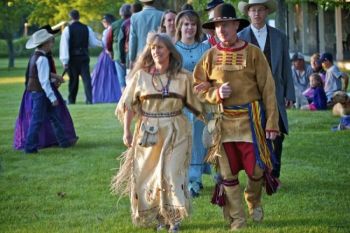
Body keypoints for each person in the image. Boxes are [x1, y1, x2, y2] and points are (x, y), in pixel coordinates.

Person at [193, 3, 279, 231]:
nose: (222, 30)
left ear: (235, 25)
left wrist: (271, 122)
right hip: (223, 124)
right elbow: (198, 88)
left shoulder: (253, 53)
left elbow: (269, 89)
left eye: (226, 25)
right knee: (227, 175)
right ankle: (238, 220)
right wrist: (215, 93)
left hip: (251, 122)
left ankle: (253, 198)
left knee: (257, 170)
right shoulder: (209, 56)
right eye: (218, 26)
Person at [111, 32, 203, 233]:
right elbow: (129, 105)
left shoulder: (183, 77)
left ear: (169, 50)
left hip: (176, 130)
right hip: (148, 131)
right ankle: (159, 217)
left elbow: (200, 104)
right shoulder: (141, 77)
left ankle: (175, 219)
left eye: (160, 47)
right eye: (153, 48)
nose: (156, 51)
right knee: (151, 175)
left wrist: (214, 122)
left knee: (172, 173)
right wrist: (126, 131)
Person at [237, 0, 295, 184]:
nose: (256, 14)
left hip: (275, 94)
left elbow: (286, 66)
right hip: (250, 94)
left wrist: (290, 94)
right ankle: (257, 174)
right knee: (254, 134)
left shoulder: (279, 37)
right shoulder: (240, 37)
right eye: (253, 10)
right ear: (248, 13)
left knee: (276, 134)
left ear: (266, 12)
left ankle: (274, 175)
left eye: (260, 10)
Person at [14, 26, 78, 151]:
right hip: (41, 94)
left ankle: (64, 142)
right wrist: (52, 97)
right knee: (37, 120)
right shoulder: (42, 59)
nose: (51, 45)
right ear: (44, 44)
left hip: (38, 92)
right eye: (50, 42)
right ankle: (30, 147)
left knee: (55, 117)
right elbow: (44, 82)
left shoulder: (35, 57)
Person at [175, 10, 211, 197]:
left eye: (193, 24)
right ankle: (182, 178)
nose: (190, 27)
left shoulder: (205, 49)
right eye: (186, 24)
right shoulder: (172, 49)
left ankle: (195, 180)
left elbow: (211, 76)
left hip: (200, 105)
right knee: (182, 142)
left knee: (198, 142)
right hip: (179, 104)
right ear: (179, 26)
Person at [59, 9, 102, 104]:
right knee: (87, 80)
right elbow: (93, 42)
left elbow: (64, 46)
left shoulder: (67, 29)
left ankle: (72, 100)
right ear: (78, 17)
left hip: (72, 59)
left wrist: (64, 61)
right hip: (84, 57)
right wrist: (103, 43)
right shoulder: (86, 28)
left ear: (70, 18)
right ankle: (89, 100)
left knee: (73, 81)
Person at [91, 14, 121, 104]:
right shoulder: (114, 29)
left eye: (103, 22)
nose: (103, 23)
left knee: (106, 75)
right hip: (110, 54)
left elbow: (105, 44)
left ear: (107, 22)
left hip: (107, 54)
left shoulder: (107, 31)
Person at [128, 0, 163, 68]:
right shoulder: (162, 15)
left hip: (141, 56)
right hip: (158, 55)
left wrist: (131, 58)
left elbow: (133, 40)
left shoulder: (134, 17)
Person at [110, 4, 132, 92]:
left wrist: (110, 51)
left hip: (118, 54)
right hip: (131, 53)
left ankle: (124, 98)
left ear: (121, 13)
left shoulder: (114, 24)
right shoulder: (133, 21)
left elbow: (108, 39)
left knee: (122, 81)